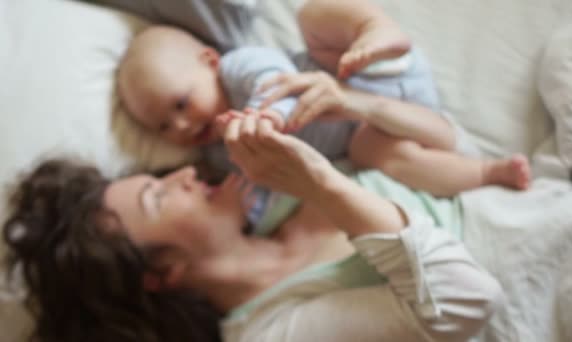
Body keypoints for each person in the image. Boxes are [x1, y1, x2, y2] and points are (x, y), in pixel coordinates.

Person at [2, 115, 504, 342]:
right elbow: (470, 301)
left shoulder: (278, 203)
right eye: (158, 196)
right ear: (164, 272)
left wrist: (346, 103)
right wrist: (325, 184)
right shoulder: (267, 330)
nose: (183, 173)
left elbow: (447, 151)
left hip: (537, 195)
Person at [117, 0, 531, 207]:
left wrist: (266, 114)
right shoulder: (219, 151)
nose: (182, 127)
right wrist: (249, 206)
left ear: (208, 61)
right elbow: (260, 186)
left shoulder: (236, 67)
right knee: (389, 159)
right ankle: (486, 173)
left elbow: (273, 77)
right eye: (164, 128)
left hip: (362, 70)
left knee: (313, 18)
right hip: (370, 130)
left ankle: (375, 28)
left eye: (181, 104)